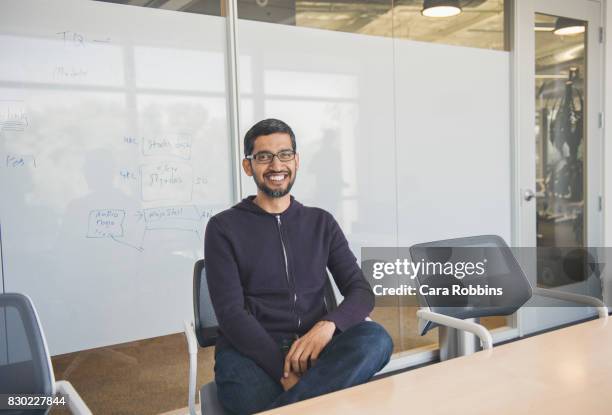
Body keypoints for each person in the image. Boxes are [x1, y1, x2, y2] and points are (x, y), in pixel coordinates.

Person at [204, 118, 393, 414]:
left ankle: (293, 405)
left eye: (285, 154)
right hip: (250, 351)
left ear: (297, 160)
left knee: (376, 340)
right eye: (264, 157)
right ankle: (317, 400)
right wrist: (284, 369)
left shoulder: (321, 222)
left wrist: (327, 326)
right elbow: (230, 314)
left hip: (315, 343)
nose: (276, 165)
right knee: (245, 395)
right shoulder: (223, 227)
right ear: (248, 166)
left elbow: (360, 292)